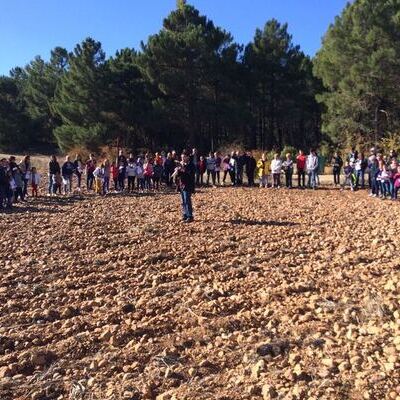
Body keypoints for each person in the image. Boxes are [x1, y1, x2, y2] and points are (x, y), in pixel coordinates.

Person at [172, 153, 195, 223]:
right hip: (181, 185)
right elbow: (179, 176)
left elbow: (192, 174)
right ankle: (185, 215)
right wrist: (177, 171)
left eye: (184, 157)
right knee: (183, 201)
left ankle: (190, 216)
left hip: (188, 185)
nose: (182, 158)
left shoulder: (191, 165)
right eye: (182, 157)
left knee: (187, 201)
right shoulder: (181, 165)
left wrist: (184, 170)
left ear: (188, 157)